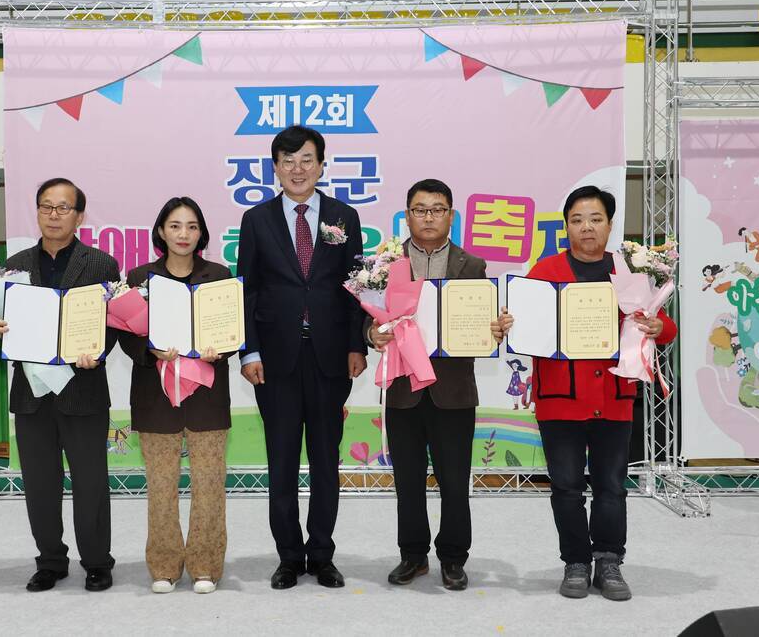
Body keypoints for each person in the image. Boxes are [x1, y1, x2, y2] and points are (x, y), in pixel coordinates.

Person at [500, 186, 677, 601]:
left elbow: (665, 326)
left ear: (610, 225)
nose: (586, 228)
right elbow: (524, 332)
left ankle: (610, 561)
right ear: (566, 227)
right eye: (577, 220)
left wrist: (657, 328)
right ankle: (576, 562)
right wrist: (508, 324)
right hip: (559, 398)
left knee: (611, 486)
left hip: (614, 395)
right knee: (565, 486)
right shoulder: (545, 272)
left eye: (595, 219)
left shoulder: (630, 271)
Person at [237, 125, 367, 590]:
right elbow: (247, 290)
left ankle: (323, 554)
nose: (297, 168)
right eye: (287, 160)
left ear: (321, 164)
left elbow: (357, 288)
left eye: (306, 159)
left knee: (326, 462)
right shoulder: (257, 220)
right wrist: (248, 350)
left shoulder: (343, 217)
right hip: (275, 361)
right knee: (283, 462)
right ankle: (289, 556)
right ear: (275, 167)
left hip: (332, 358)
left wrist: (357, 344)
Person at [367, 179, 504, 592]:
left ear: (451, 215)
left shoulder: (472, 266)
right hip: (404, 389)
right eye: (420, 209)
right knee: (407, 481)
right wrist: (372, 336)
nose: (428, 216)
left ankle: (453, 558)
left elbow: (481, 325)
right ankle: (412, 555)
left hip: (453, 391)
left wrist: (492, 331)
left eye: (437, 209)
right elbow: (369, 316)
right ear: (406, 215)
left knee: (454, 480)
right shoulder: (386, 264)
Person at [0, 178, 121, 593]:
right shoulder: (14, 265)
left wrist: (97, 350)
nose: (54, 214)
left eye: (63, 208)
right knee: (40, 484)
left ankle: (98, 562)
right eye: (46, 207)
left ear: (79, 215)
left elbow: (114, 324)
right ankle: (50, 561)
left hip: (81, 387)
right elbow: (3, 318)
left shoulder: (102, 264)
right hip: (31, 393)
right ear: (37, 212)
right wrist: (1, 329)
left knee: (90, 483)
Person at [118, 197, 231, 595]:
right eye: (175, 226)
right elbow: (124, 335)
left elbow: (231, 329)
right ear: (161, 231)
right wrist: (148, 351)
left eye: (192, 226)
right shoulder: (139, 277)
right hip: (155, 396)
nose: (183, 234)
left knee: (209, 485)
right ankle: (164, 565)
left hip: (206, 395)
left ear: (201, 233)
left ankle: (205, 566)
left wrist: (222, 350)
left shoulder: (218, 275)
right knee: (161, 486)